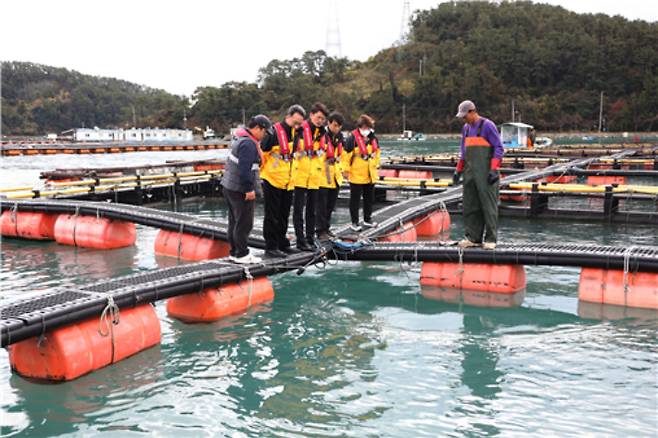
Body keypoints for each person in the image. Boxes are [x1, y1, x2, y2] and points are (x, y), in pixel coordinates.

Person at [452, 100, 503, 250]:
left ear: (472, 112)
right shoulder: (466, 129)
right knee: (470, 205)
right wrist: (458, 171)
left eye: (465, 115)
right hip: (470, 173)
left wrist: (493, 169)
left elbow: (498, 149)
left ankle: (491, 239)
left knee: (488, 206)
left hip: (486, 173)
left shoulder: (488, 126)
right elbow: (463, 152)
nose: (463, 119)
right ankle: (473, 238)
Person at [221, 114, 272, 264]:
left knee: (234, 222)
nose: (264, 136)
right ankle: (242, 254)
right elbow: (245, 169)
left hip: (230, 186)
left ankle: (234, 252)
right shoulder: (249, 144)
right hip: (240, 189)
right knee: (244, 222)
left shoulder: (240, 139)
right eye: (264, 132)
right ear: (257, 128)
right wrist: (249, 189)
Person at [260, 104, 306, 258]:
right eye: (296, 122)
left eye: (300, 123)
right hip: (272, 179)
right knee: (271, 215)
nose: (298, 125)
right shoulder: (273, 132)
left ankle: (282, 243)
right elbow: (262, 153)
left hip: (288, 180)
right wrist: (263, 173)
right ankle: (271, 246)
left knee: (284, 214)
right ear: (289, 116)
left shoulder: (296, 133)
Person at [291, 102, 328, 251]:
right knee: (298, 210)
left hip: (314, 176)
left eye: (322, 119)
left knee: (312, 210)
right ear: (311, 115)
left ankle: (310, 239)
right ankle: (300, 241)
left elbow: (322, 152)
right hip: (300, 174)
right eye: (318, 117)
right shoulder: (299, 130)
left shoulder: (321, 133)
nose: (320, 121)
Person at [344, 114, 380, 232]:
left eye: (368, 128)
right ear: (359, 127)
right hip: (356, 174)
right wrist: (345, 171)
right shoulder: (352, 139)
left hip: (370, 174)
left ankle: (367, 219)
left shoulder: (373, 138)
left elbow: (377, 154)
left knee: (369, 198)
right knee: (355, 199)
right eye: (364, 128)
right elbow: (345, 156)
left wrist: (376, 165)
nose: (366, 130)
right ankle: (354, 222)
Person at [316, 111, 345, 241]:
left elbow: (342, 155)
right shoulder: (321, 135)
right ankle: (320, 230)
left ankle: (327, 228)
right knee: (321, 206)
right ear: (329, 123)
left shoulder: (339, 137)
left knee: (330, 205)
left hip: (335, 176)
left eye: (339, 126)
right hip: (322, 175)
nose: (336, 128)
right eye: (334, 125)